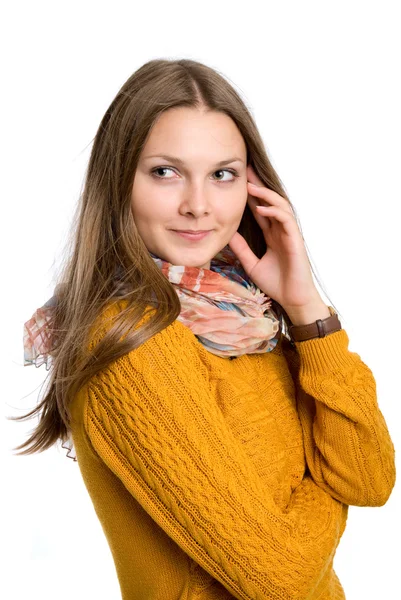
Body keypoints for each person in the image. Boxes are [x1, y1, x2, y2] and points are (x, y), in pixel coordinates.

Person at [14, 59, 395, 599]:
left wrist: (309, 311)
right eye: (165, 172)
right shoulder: (130, 340)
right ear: (119, 179)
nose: (197, 206)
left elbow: (369, 477)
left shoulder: (249, 319)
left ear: (251, 187)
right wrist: (325, 487)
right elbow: (280, 581)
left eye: (222, 174)